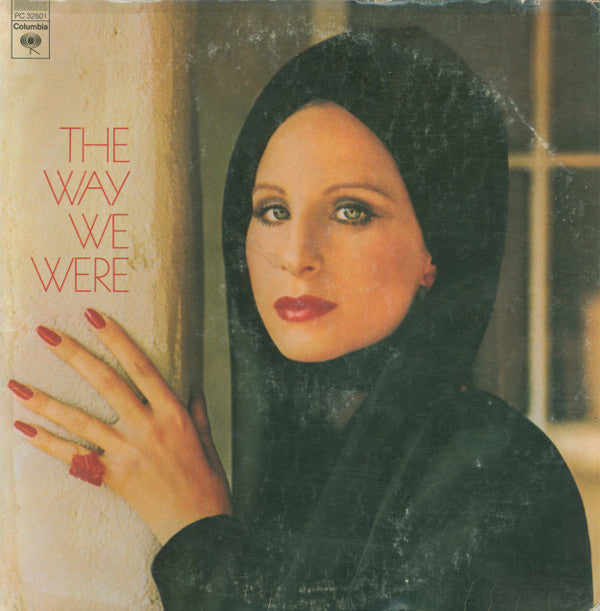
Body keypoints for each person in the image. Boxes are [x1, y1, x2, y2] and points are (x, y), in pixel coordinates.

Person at [9, 29, 592, 609]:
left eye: (351, 211)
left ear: (434, 249)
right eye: (273, 210)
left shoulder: (503, 477)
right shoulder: (300, 456)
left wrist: (197, 535)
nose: (294, 254)